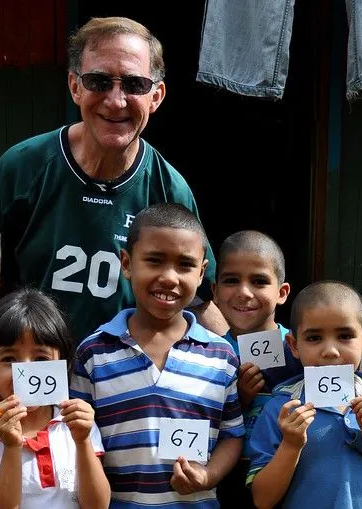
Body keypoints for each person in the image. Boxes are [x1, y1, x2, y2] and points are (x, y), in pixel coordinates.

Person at [0, 16, 226, 343]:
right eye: (99, 81)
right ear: (75, 86)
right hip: (35, 377)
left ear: (156, 96)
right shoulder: (22, 169)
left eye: (134, 84)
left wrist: (249, 364)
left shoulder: (169, 189)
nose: (115, 100)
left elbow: (197, 300)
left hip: (125, 378)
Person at [70, 203, 245, 509]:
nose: (169, 277)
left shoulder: (222, 355)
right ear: (126, 263)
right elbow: (74, 438)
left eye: (185, 265)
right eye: (154, 260)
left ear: (203, 272)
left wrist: (208, 475)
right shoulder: (93, 353)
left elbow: (232, 435)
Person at [248, 281, 362, 509]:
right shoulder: (281, 408)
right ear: (293, 345)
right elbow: (262, 500)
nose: (330, 351)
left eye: (344, 336)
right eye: (314, 338)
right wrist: (291, 445)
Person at [0, 288, 110, 509]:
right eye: (10, 359)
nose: (26, 371)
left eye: (41, 358)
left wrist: (83, 440)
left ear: (63, 363)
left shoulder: (78, 424)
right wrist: (11, 447)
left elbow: (98, 505)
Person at [210, 230, 302, 509]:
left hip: (291, 476)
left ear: (282, 292)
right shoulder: (206, 354)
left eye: (259, 281)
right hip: (225, 480)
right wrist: (237, 400)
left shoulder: (302, 350)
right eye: (231, 280)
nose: (244, 292)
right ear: (214, 291)